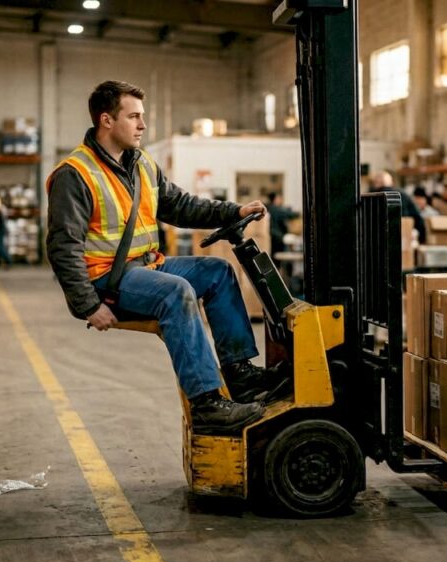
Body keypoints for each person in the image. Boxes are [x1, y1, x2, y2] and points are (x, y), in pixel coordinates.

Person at [47, 80, 284, 434]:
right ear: (106, 120)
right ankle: (207, 403)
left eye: (143, 117)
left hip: (146, 267)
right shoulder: (76, 173)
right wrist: (87, 305)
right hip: (107, 280)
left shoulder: (141, 163)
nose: (142, 125)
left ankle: (240, 375)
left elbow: (180, 205)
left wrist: (233, 212)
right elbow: (63, 246)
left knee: (217, 272)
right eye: (134, 117)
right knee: (176, 292)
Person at [370, 171, 426, 243]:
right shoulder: (403, 195)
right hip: (402, 240)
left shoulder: (370, 197)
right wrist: (422, 239)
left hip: (376, 241)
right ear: (391, 183)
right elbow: (418, 219)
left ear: (376, 184)